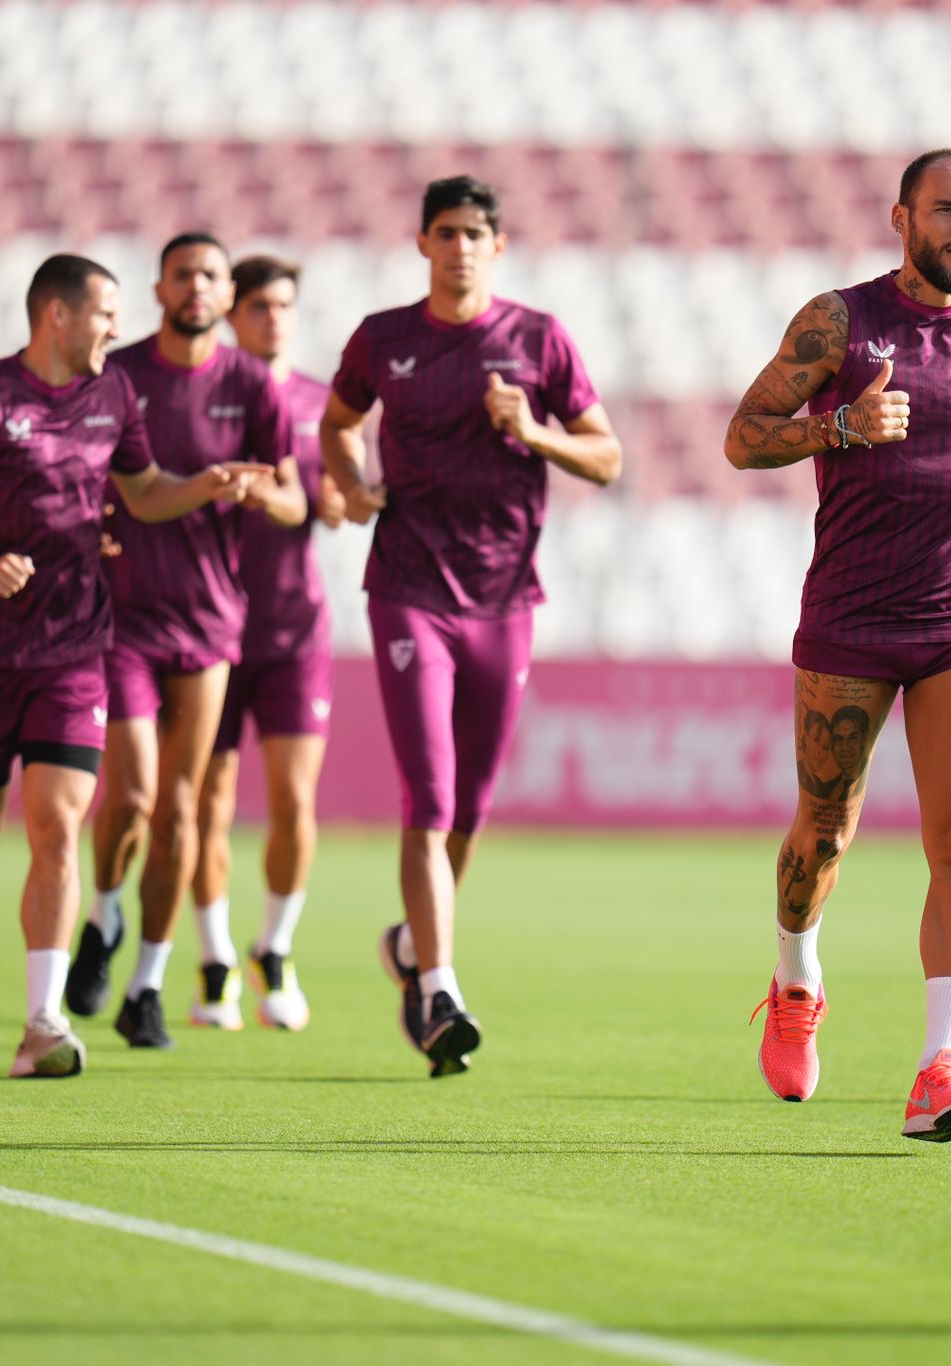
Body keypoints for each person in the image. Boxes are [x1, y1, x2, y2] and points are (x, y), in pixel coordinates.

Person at [721, 149, 951, 1140]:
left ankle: (938, 1070)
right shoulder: (838, 320)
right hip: (851, 614)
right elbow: (742, 435)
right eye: (946, 209)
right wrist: (839, 425)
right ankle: (795, 980)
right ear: (900, 218)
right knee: (822, 833)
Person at [0, 253, 275, 1078]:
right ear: (58, 316)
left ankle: (43, 1021)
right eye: (104, 312)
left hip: (76, 648)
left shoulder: (114, 396)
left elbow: (140, 493)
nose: (116, 325)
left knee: (60, 827)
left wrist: (209, 483)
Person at [320, 176, 622, 1077]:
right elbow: (336, 425)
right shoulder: (384, 339)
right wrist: (352, 482)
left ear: (497, 246)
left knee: (471, 810)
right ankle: (441, 985)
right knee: (430, 793)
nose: (459, 247)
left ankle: (412, 946)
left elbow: (605, 457)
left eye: (474, 234)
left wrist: (536, 433)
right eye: (444, 233)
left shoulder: (539, 338)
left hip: (504, 598)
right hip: (410, 586)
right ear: (422, 244)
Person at [61, 233, 302, 1050]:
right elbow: (75, 468)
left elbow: (297, 498)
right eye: (182, 274)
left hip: (211, 623)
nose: (196, 286)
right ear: (159, 288)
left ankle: (149, 983)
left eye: (211, 275)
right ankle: (102, 915)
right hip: (122, 617)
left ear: (228, 293)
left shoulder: (251, 384)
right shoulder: (119, 375)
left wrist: (263, 494)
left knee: (182, 810)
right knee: (129, 794)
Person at [191, 255, 346, 1032]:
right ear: (230, 315)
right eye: (257, 305)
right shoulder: (202, 395)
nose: (273, 317)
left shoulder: (323, 400)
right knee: (207, 804)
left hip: (294, 629)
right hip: (207, 626)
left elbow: (347, 490)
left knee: (293, 802)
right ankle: (215, 960)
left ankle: (274, 950)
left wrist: (356, 498)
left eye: (284, 303)